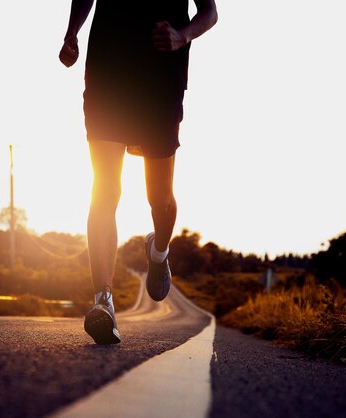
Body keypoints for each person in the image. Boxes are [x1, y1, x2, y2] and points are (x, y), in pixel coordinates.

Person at [59, 0, 217, 344]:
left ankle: (159, 250)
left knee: (159, 199)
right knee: (104, 188)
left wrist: (182, 35)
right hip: (107, 70)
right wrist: (72, 32)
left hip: (160, 76)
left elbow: (210, 11)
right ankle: (104, 302)